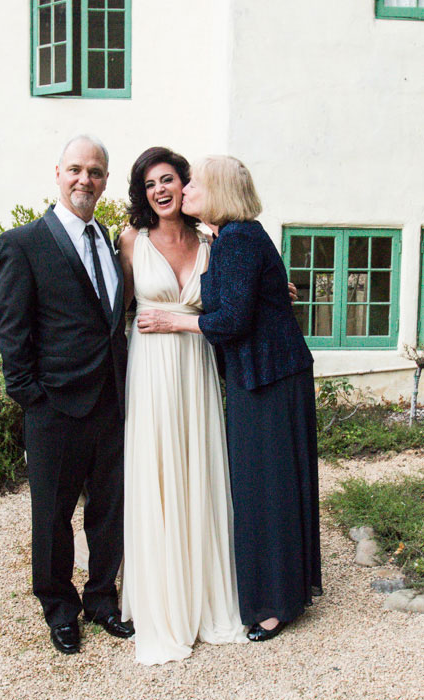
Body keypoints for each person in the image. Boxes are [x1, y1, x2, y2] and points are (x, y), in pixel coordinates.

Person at [137, 155, 322, 643]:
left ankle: (273, 607)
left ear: (216, 191)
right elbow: (240, 299)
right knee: (267, 488)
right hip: (263, 376)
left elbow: (232, 321)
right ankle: (283, 591)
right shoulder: (230, 239)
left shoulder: (237, 239)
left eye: (194, 181)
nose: (186, 188)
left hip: (269, 379)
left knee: (267, 492)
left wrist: (173, 321)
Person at [0, 135, 134, 655]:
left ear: (104, 180)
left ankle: (101, 600)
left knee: (109, 511)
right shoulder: (24, 242)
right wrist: (32, 397)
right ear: (57, 173)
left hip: (112, 403)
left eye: (95, 172)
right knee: (51, 517)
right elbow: (11, 330)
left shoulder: (112, 240)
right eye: (76, 169)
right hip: (54, 407)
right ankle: (60, 608)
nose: (85, 180)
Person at [118, 147, 247, 665]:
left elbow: (231, 303)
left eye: (168, 179)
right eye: (150, 184)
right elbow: (114, 308)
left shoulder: (212, 241)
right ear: (142, 193)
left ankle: (206, 595)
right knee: (158, 474)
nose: (160, 191)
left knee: (198, 471)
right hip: (149, 368)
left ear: (184, 183)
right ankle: (160, 600)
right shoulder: (131, 240)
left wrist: (270, 292)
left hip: (195, 366)